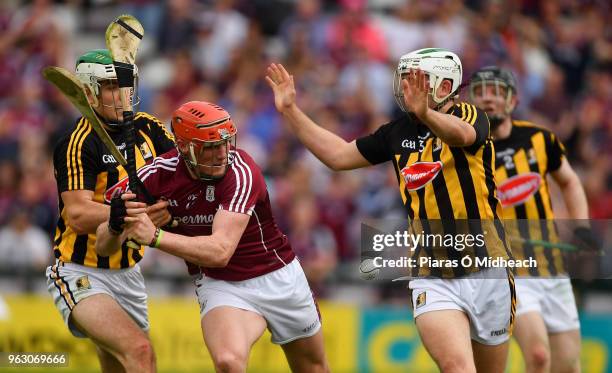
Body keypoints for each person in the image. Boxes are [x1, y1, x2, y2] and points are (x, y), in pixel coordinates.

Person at [266, 48, 515, 373]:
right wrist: (291, 111)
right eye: (405, 80)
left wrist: (426, 114)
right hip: (433, 273)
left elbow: (461, 135)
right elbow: (339, 156)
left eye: (417, 81)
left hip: (488, 269)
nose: (405, 88)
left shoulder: (471, 116)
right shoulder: (397, 132)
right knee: (457, 368)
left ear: (444, 86)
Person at [95, 101, 329, 373]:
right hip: (222, 284)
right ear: (184, 147)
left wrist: (155, 236)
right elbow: (103, 247)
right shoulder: (157, 175)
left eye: (226, 143)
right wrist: (116, 226)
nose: (222, 154)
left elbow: (220, 251)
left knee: (314, 368)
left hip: (278, 276)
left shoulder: (242, 172)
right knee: (229, 362)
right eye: (210, 147)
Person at [46, 49, 175, 373]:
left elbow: (180, 179)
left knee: (118, 364)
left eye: (126, 85)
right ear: (89, 91)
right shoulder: (78, 142)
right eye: (111, 87)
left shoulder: (148, 128)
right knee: (140, 352)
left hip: (129, 271)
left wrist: (167, 207)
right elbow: (77, 214)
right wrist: (121, 213)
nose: (123, 95)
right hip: (82, 271)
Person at [469, 66, 592, 373]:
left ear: (512, 100)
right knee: (538, 356)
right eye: (482, 91)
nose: (488, 99)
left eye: (497, 92)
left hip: (551, 267)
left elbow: (570, 182)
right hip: (509, 272)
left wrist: (582, 228)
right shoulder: (466, 149)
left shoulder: (540, 139)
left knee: (568, 366)